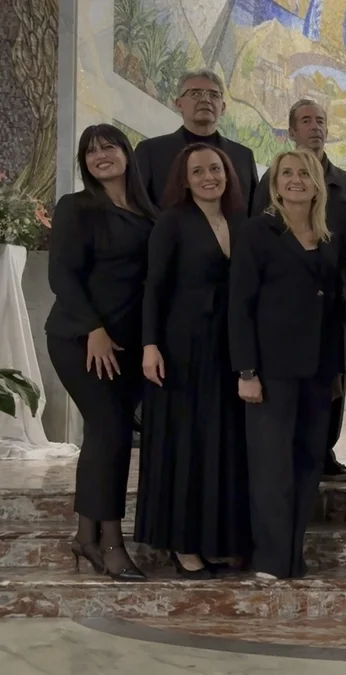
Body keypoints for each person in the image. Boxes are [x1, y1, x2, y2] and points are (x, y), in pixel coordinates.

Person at [45, 124, 157, 582]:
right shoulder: (76, 208)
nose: (100, 157)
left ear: (126, 154)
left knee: (101, 435)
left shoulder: (150, 212)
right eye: (90, 153)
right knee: (111, 432)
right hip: (81, 339)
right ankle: (111, 543)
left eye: (108, 147)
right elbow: (62, 276)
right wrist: (94, 328)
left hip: (129, 346)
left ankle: (84, 535)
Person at [135, 144, 251, 577]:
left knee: (220, 445)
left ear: (229, 174)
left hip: (228, 349)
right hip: (181, 350)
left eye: (216, 169)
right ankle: (184, 547)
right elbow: (154, 289)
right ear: (184, 179)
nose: (209, 177)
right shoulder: (171, 222)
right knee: (185, 445)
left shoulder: (242, 222)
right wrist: (150, 346)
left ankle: (215, 540)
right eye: (198, 170)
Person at [228, 149, 345, 579]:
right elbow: (240, 306)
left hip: (317, 374)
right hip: (269, 372)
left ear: (317, 184)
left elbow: (335, 311)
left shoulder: (329, 239)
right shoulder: (258, 233)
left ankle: (292, 556)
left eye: (304, 174)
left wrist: (334, 372)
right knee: (271, 469)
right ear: (275, 185)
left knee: (308, 463)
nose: (295, 180)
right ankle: (270, 559)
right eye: (286, 174)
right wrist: (246, 371)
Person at [251, 99, 346, 483]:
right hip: (285, 302)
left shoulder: (345, 182)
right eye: (306, 121)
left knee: (332, 377)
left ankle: (324, 448)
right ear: (292, 130)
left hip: (334, 296)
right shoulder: (275, 176)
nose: (315, 127)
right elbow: (260, 233)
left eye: (321, 121)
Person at [135, 69, 258, 213]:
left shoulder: (243, 156)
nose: (205, 100)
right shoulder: (150, 152)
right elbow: (137, 208)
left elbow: (253, 213)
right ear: (179, 104)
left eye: (214, 95)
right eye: (195, 93)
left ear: (223, 107)